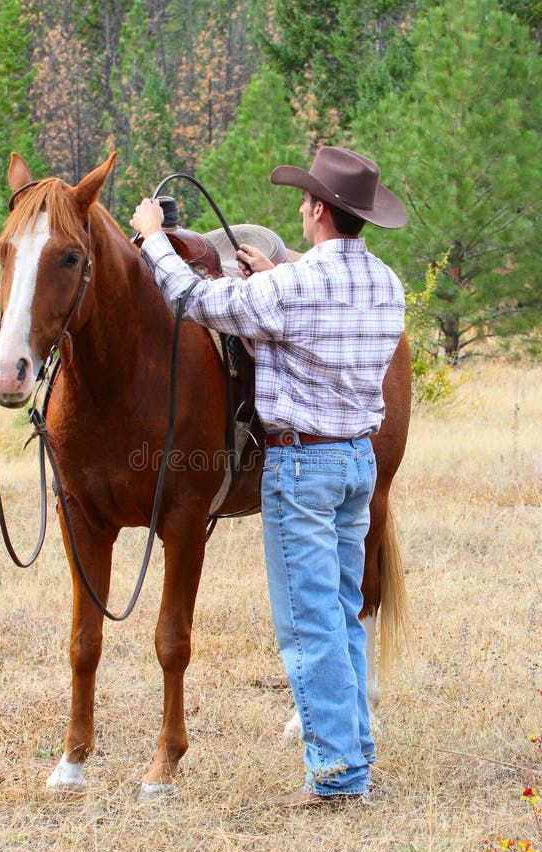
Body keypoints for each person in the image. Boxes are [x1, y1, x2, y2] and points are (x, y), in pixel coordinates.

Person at [130, 146, 407, 810]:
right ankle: (353, 756)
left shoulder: (293, 286)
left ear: (316, 210)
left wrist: (151, 238)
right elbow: (310, 320)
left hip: (302, 466)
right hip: (354, 462)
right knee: (339, 616)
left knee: (310, 625)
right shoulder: (386, 284)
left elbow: (196, 298)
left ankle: (337, 778)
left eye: (304, 203)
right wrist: (273, 271)